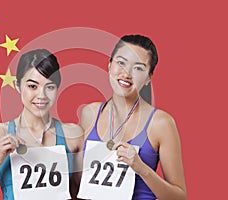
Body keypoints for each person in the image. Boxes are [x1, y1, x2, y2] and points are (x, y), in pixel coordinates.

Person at [0, 49, 83, 200]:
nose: (41, 95)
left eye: (50, 87)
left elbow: (84, 193)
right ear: (18, 85)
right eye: (32, 86)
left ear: (57, 88)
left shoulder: (73, 135)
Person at [80, 35, 187, 200]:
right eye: (121, 62)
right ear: (109, 65)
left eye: (138, 68)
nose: (126, 73)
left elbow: (179, 197)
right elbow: (75, 178)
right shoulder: (90, 113)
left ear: (148, 78)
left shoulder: (161, 123)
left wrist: (140, 168)